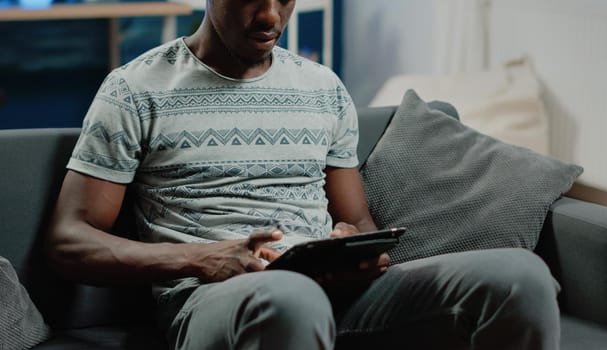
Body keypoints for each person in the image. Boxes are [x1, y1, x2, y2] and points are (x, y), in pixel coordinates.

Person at [45, 0, 561, 349]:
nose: (271, 15)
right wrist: (203, 258)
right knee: (290, 297)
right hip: (212, 299)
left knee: (520, 274)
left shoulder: (322, 87)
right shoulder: (134, 89)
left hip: (332, 290)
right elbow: (69, 242)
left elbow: (356, 219)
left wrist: (355, 248)